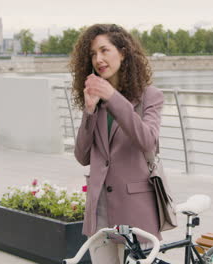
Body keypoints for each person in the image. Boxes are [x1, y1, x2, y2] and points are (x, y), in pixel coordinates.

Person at [70, 24, 164, 263]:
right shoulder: (96, 101)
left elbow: (147, 141)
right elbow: (82, 156)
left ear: (122, 52)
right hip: (99, 211)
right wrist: (89, 111)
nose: (98, 59)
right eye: (93, 54)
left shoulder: (150, 96)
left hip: (136, 211)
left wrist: (114, 98)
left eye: (104, 50)